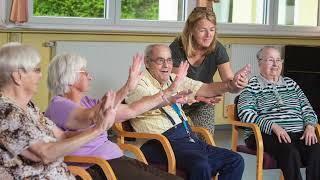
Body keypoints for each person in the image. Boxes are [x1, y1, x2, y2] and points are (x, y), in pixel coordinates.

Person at [45, 53, 189, 180]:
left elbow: (132, 109)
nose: (90, 76)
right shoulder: (58, 105)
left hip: (114, 159)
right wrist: (126, 89)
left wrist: (168, 94)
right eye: (85, 72)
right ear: (70, 76)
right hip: (94, 167)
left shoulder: (88, 101)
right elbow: (92, 116)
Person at [126, 44, 250, 180]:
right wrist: (170, 95)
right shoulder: (138, 83)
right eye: (160, 60)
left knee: (235, 160)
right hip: (158, 142)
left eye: (169, 60)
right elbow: (144, 104)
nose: (166, 65)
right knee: (201, 165)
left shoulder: (174, 78)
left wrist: (230, 85)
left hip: (187, 138)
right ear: (147, 62)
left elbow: (206, 88)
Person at [0, 42, 117, 179]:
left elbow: (63, 136)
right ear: (18, 76)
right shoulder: (6, 112)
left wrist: (100, 127)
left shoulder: (29, 107)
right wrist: (96, 129)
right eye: (36, 70)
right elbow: (45, 154)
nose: (41, 76)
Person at [237, 46, 320, 180]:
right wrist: (273, 126)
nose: (275, 64)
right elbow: (245, 113)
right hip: (266, 133)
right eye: (270, 60)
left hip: (298, 132)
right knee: (289, 151)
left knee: (317, 149)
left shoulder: (291, 84)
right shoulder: (251, 85)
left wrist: (310, 126)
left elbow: (307, 108)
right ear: (260, 63)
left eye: (278, 60)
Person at [169, 7, 243, 135]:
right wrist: (199, 96)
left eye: (212, 30)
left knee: (206, 137)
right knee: (180, 140)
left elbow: (230, 85)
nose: (208, 35)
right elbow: (177, 85)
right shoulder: (176, 48)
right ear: (191, 30)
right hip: (177, 102)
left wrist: (238, 83)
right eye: (202, 30)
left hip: (204, 102)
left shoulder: (218, 49)